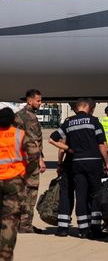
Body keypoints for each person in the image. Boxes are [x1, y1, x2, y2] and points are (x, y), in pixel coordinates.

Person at [49, 98, 108, 238]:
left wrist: (68, 149)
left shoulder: (68, 122)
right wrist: (106, 162)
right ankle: (95, 228)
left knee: (80, 195)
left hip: (76, 162)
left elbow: (52, 139)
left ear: (77, 108)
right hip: (94, 162)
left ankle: (82, 229)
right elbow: (102, 145)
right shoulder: (94, 121)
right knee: (95, 195)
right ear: (88, 107)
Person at [0, 107, 40, 260]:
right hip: (14, 180)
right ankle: (4, 256)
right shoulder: (19, 134)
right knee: (9, 220)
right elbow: (34, 154)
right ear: (13, 120)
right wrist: (26, 172)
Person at [13, 88, 45, 234]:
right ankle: (25, 225)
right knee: (31, 191)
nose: (40, 103)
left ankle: (19, 223)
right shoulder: (29, 117)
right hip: (29, 159)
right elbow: (34, 141)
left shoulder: (19, 115)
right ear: (29, 100)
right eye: (38, 100)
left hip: (18, 159)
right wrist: (40, 160)